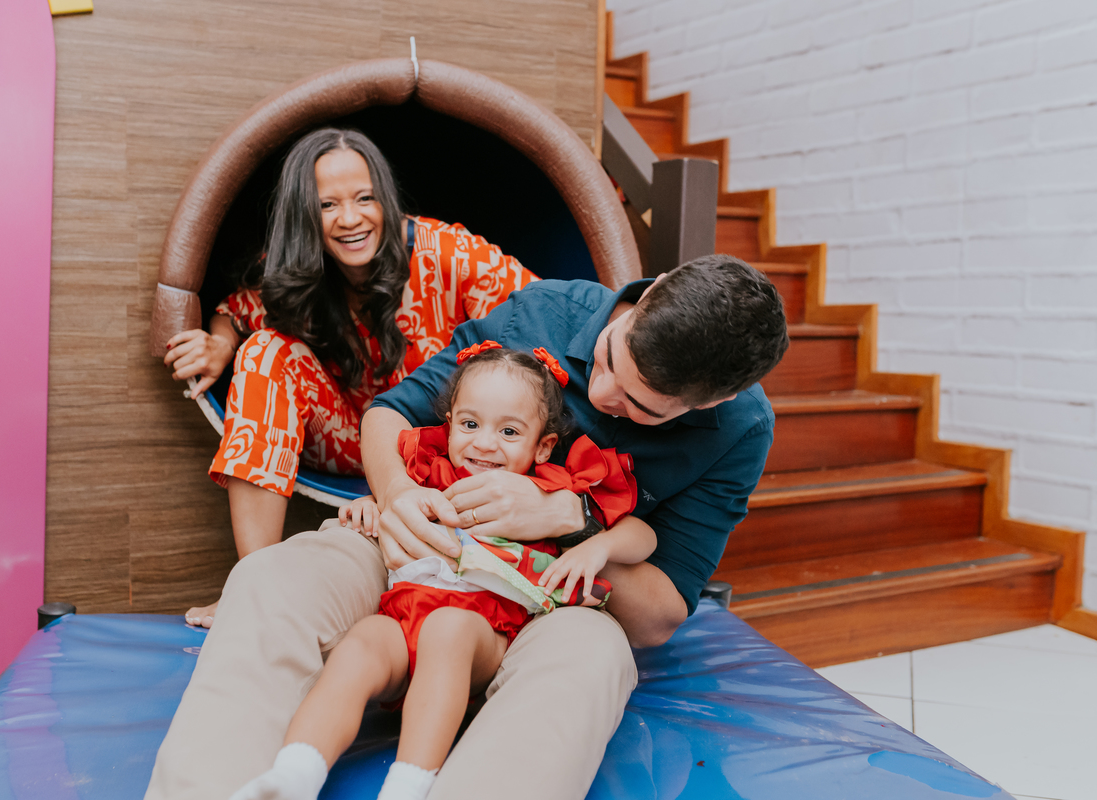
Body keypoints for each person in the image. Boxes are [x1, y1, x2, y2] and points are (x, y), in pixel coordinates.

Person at [144, 254, 789, 800]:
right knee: (274, 577)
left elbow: (659, 613)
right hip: (418, 549)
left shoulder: (738, 430)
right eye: (609, 359)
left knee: (593, 663)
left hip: (545, 604)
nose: (600, 395)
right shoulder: (544, 313)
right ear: (647, 295)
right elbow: (389, 416)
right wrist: (397, 496)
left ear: (713, 401)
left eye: (639, 404)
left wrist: (571, 521)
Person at [229, 345, 652, 800]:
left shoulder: (545, 491)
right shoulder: (431, 473)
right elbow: (396, 500)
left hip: (482, 635)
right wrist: (370, 507)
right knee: (362, 642)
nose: (484, 443)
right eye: (470, 425)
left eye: (509, 431)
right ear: (449, 425)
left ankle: (407, 785)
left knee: (447, 631)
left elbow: (643, 535)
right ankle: (296, 772)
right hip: (405, 619)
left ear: (543, 445)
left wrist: (597, 546)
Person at [161, 128, 536, 627]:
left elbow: (538, 312)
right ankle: (253, 583)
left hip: (440, 445)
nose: (351, 218)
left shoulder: (448, 252)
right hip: (343, 433)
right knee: (264, 349)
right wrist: (218, 345)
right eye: (328, 205)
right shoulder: (295, 265)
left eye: (365, 198)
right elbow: (236, 311)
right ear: (305, 216)